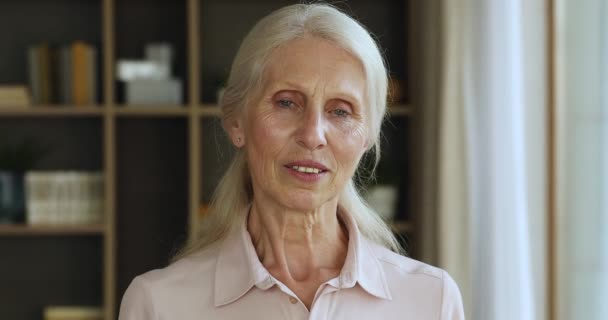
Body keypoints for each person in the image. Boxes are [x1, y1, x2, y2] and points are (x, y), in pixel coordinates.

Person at [118, 3, 464, 319]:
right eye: (286, 103)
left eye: (341, 111)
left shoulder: (430, 299)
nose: (313, 134)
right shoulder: (158, 304)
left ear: (368, 137)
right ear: (236, 122)